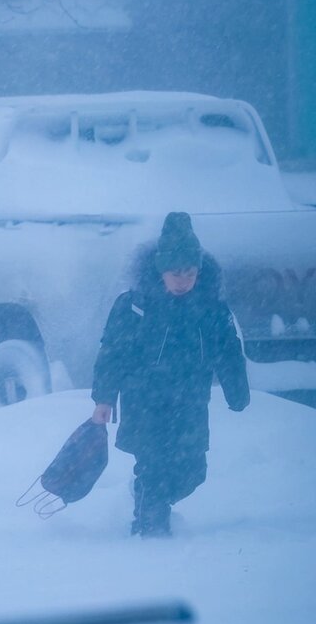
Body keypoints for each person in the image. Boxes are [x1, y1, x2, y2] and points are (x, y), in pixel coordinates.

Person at [91, 212, 250, 537]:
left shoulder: (211, 308)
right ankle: (150, 530)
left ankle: (151, 500)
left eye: (189, 273)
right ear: (160, 270)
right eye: (175, 273)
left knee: (193, 471)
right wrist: (104, 398)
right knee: (152, 466)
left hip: (190, 404)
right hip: (144, 401)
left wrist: (237, 392)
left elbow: (229, 352)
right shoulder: (136, 306)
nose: (182, 280)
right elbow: (112, 354)